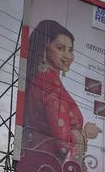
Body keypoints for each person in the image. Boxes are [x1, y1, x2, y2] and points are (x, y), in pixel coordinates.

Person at [22, 19, 100, 164]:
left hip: (40, 161)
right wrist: (85, 133)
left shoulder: (43, 80)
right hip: (49, 163)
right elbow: (63, 143)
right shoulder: (48, 84)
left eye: (70, 50)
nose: (68, 56)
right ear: (45, 48)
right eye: (60, 48)